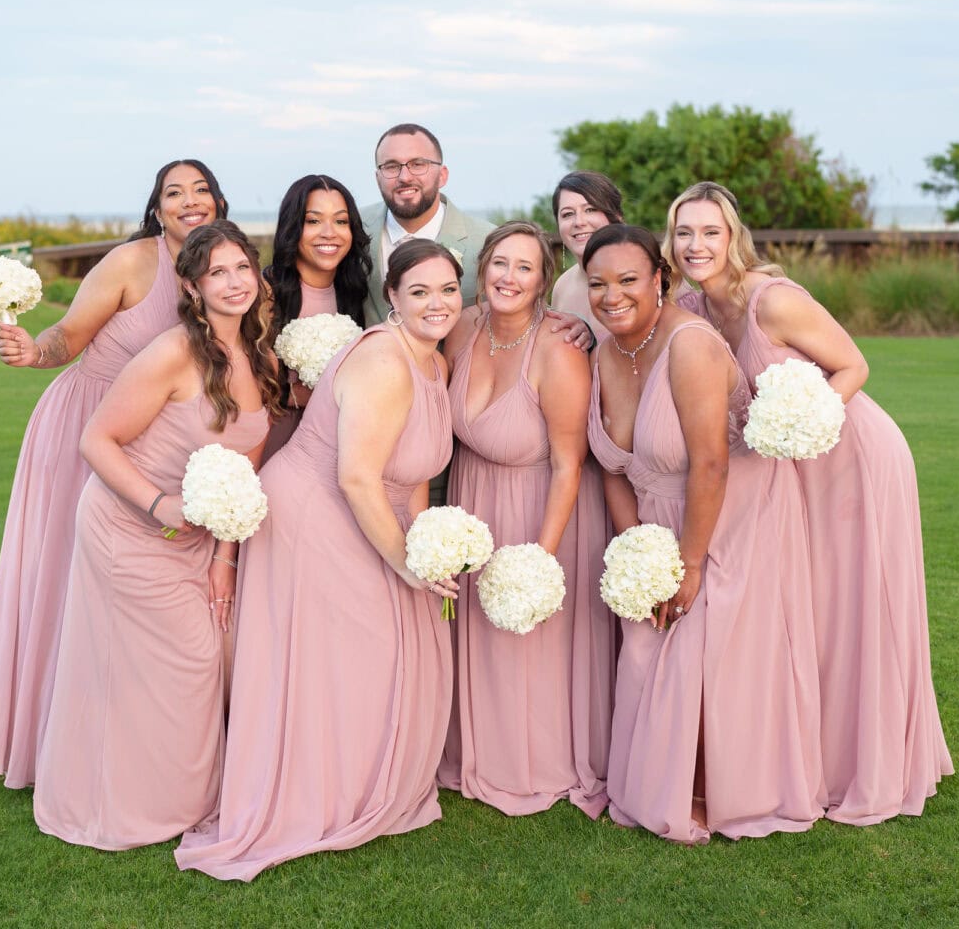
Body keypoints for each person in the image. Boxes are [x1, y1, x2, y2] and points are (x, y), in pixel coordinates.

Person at [175, 239, 463, 881]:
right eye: (419, 292)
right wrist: (405, 564)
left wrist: (422, 540)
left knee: (380, 644)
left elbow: (410, 472)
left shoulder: (433, 362)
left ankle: (365, 783)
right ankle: (319, 795)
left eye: (447, 289)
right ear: (391, 298)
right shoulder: (385, 362)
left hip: (362, 507)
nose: (436, 303)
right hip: (314, 512)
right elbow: (359, 478)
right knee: (344, 651)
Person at [667, 181, 952, 824]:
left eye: (710, 232)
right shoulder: (690, 307)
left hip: (850, 455)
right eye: (685, 233)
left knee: (858, 603)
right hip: (785, 472)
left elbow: (854, 367)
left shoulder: (774, 300)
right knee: (815, 608)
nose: (696, 244)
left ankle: (877, 764)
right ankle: (818, 758)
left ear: (732, 237)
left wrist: (798, 419)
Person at [0, 159, 228, 789]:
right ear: (158, 206)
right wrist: (36, 351)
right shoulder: (130, 263)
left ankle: (140, 738)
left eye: (201, 191)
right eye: (175, 193)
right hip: (87, 428)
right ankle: (48, 742)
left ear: (218, 202)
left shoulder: (227, 269)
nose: (189, 202)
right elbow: (69, 335)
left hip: (161, 439)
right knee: (65, 575)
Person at [32, 220, 279, 850]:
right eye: (216, 273)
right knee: (177, 664)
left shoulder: (263, 356)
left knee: (204, 662)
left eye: (241, 269)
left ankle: (187, 797)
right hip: (128, 527)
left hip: (199, 542)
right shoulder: (173, 353)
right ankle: (132, 805)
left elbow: (245, 468)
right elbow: (97, 440)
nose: (233, 282)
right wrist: (158, 504)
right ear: (193, 289)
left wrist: (226, 556)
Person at [583, 223, 823, 845]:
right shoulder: (603, 354)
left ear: (661, 279)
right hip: (656, 524)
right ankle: (658, 783)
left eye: (629, 280)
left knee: (702, 647)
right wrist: (635, 549)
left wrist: (687, 565)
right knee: (647, 644)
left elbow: (711, 463)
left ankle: (719, 790)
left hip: (726, 516)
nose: (613, 296)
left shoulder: (688, 345)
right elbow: (611, 465)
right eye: (598, 284)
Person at [437, 222, 614, 818]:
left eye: (525, 267)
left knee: (530, 637)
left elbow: (570, 464)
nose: (509, 277)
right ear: (482, 268)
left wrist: (539, 557)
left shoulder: (559, 349)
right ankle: (477, 751)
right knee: (481, 637)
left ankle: (535, 760)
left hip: (544, 508)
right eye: (500, 264)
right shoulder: (462, 326)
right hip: (474, 500)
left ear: (543, 281)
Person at [262, 174, 372, 456]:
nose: (329, 232)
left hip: (340, 447)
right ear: (293, 227)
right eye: (313, 221)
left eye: (341, 221)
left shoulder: (358, 292)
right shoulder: (265, 292)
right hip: (276, 443)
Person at [359, 123, 494, 323]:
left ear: (442, 175)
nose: (404, 177)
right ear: (378, 178)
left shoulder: (488, 242)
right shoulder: (352, 228)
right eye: (391, 166)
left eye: (418, 164)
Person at [549, 171, 625, 345]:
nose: (579, 222)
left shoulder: (648, 271)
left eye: (590, 209)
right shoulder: (562, 286)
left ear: (617, 216)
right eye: (568, 214)